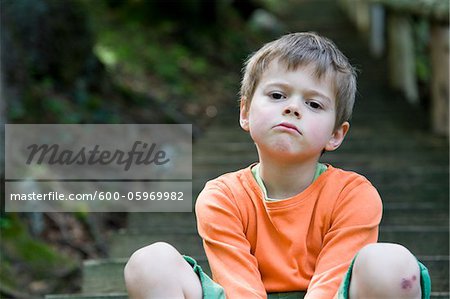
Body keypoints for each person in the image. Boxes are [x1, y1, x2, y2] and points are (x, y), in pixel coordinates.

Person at [124, 32, 431, 299]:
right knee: (150, 262)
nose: (292, 107)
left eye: (313, 104)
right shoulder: (222, 197)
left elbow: (332, 284)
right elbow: (239, 287)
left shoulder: (354, 195)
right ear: (245, 112)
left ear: (336, 134)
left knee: (391, 263)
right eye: (277, 94)